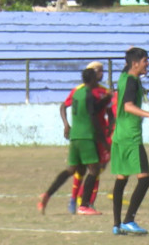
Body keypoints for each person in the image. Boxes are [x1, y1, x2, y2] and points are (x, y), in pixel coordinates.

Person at [38, 68, 109, 216]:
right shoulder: (89, 95)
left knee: (72, 170)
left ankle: (47, 195)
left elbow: (90, 108)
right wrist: (104, 141)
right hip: (86, 136)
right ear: (92, 80)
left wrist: (106, 99)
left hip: (75, 136)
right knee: (94, 170)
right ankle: (84, 205)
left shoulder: (77, 93)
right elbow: (93, 116)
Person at [110, 47, 149, 235]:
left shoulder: (123, 77)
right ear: (135, 64)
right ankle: (129, 220)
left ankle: (116, 224)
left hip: (119, 135)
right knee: (145, 180)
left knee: (121, 178)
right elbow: (128, 106)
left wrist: (130, 51)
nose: (148, 64)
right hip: (131, 136)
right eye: (145, 61)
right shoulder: (131, 82)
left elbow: (126, 63)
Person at [61, 61, 113, 214]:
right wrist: (66, 124)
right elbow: (64, 105)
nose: (101, 73)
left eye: (103, 70)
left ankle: (87, 202)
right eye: (98, 70)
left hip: (101, 133)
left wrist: (110, 126)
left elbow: (109, 111)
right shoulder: (79, 90)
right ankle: (76, 199)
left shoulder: (104, 91)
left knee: (98, 168)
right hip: (87, 134)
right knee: (86, 168)